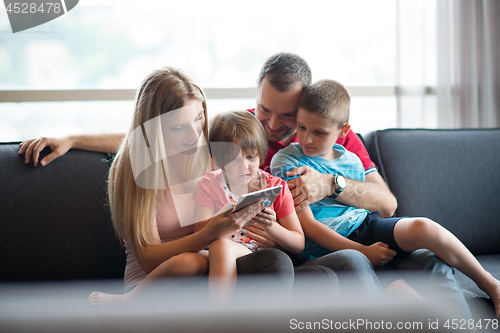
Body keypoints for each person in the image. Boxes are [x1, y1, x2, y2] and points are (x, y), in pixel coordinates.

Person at [271, 79, 500, 318]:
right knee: (405, 297)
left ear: (343, 131)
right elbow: (307, 226)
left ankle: (490, 283)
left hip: (364, 225)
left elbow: (385, 206)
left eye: (319, 132)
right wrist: (363, 251)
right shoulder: (286, 161)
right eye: (301, 127)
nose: (306, 139)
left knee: (424, 228)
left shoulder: (351, 160)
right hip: (327, 244)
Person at [87, 67, 294, 307]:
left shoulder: (209, 152)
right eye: (178, 127)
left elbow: (254, 161)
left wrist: (266, 235)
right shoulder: (134, 168)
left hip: (211, 268)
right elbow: (147, 259)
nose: (194, 134)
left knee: (277, 261)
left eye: (198, 118)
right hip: (155, 283)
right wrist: (209, 233)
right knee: (199, 263)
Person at [194, 111, 304, 300]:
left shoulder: (276, 187)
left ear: (261, 155)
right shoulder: (210, 184)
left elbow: (298, 243)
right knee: (221, 246)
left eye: (250, 157)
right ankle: (220, 318)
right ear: (218, 159)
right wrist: (226, 219)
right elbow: (200, 232)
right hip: (219, 254)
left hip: (256, 255)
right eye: (233, 160)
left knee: (222, 246)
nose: (243, 166)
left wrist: (272, 227)